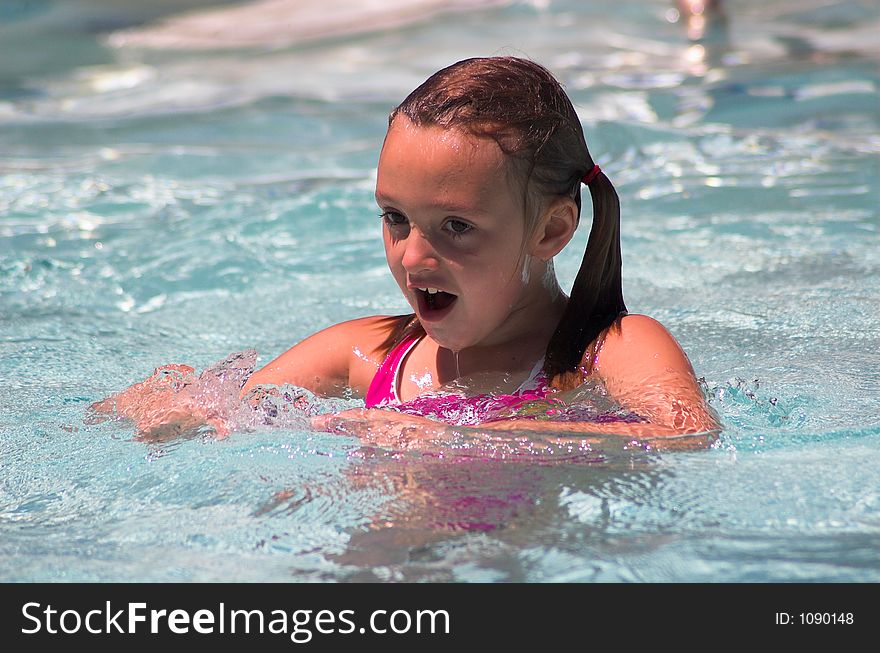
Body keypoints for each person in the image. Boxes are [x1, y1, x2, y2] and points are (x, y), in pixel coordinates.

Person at [96, 57, 719, 447]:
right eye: (395, 218)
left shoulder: (608, 350)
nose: (413, 257)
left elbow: (684, 434)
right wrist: (167, 408)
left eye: (456, 226)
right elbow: (211, 405)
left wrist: (456, 435)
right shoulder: (368, 356)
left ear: (552, 231)